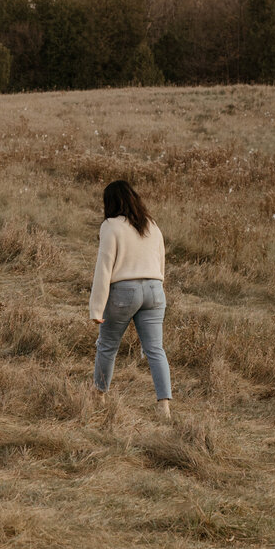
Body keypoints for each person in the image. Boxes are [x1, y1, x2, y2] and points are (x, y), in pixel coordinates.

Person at [88, 180, 172, 420]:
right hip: (155, 289)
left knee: (107, 345)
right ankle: (164, 404)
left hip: (124, 291)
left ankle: (99, 395)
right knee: (156, 349)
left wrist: (96, 308)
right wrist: (157, 286)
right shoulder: (152, 226)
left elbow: (104, 268)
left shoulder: (110, 226)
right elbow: (161, 262)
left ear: (111, 202)